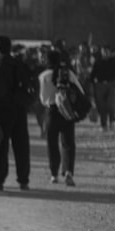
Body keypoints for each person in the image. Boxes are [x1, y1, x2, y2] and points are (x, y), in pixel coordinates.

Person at [0, 35, 32, 190]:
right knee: (21, 145)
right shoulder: (18, 63)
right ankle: (23, 179)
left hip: (3, 110)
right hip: (19, 109)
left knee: (1, 145)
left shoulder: (0, 65)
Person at [38, 50, 79, 186]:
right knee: (68, 143)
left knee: (52, 143)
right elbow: (80, 91)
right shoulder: (69, 74)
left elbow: (43, 99)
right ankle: (68, 172)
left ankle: (54, 174)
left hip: (52, 111)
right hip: (67, 111)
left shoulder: (44, 76)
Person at [90, 45, 115, 132]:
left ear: (110, 52)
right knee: (101, 106)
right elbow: (92, 75)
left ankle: (112, 121)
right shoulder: (97, 61)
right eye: (103, 51)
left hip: (111, 84)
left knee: (111, 104)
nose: (105, 53)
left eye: (107, 51)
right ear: (101, 52)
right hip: (100, 85)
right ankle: (103, 124)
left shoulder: (113, 61)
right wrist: (91, 86)